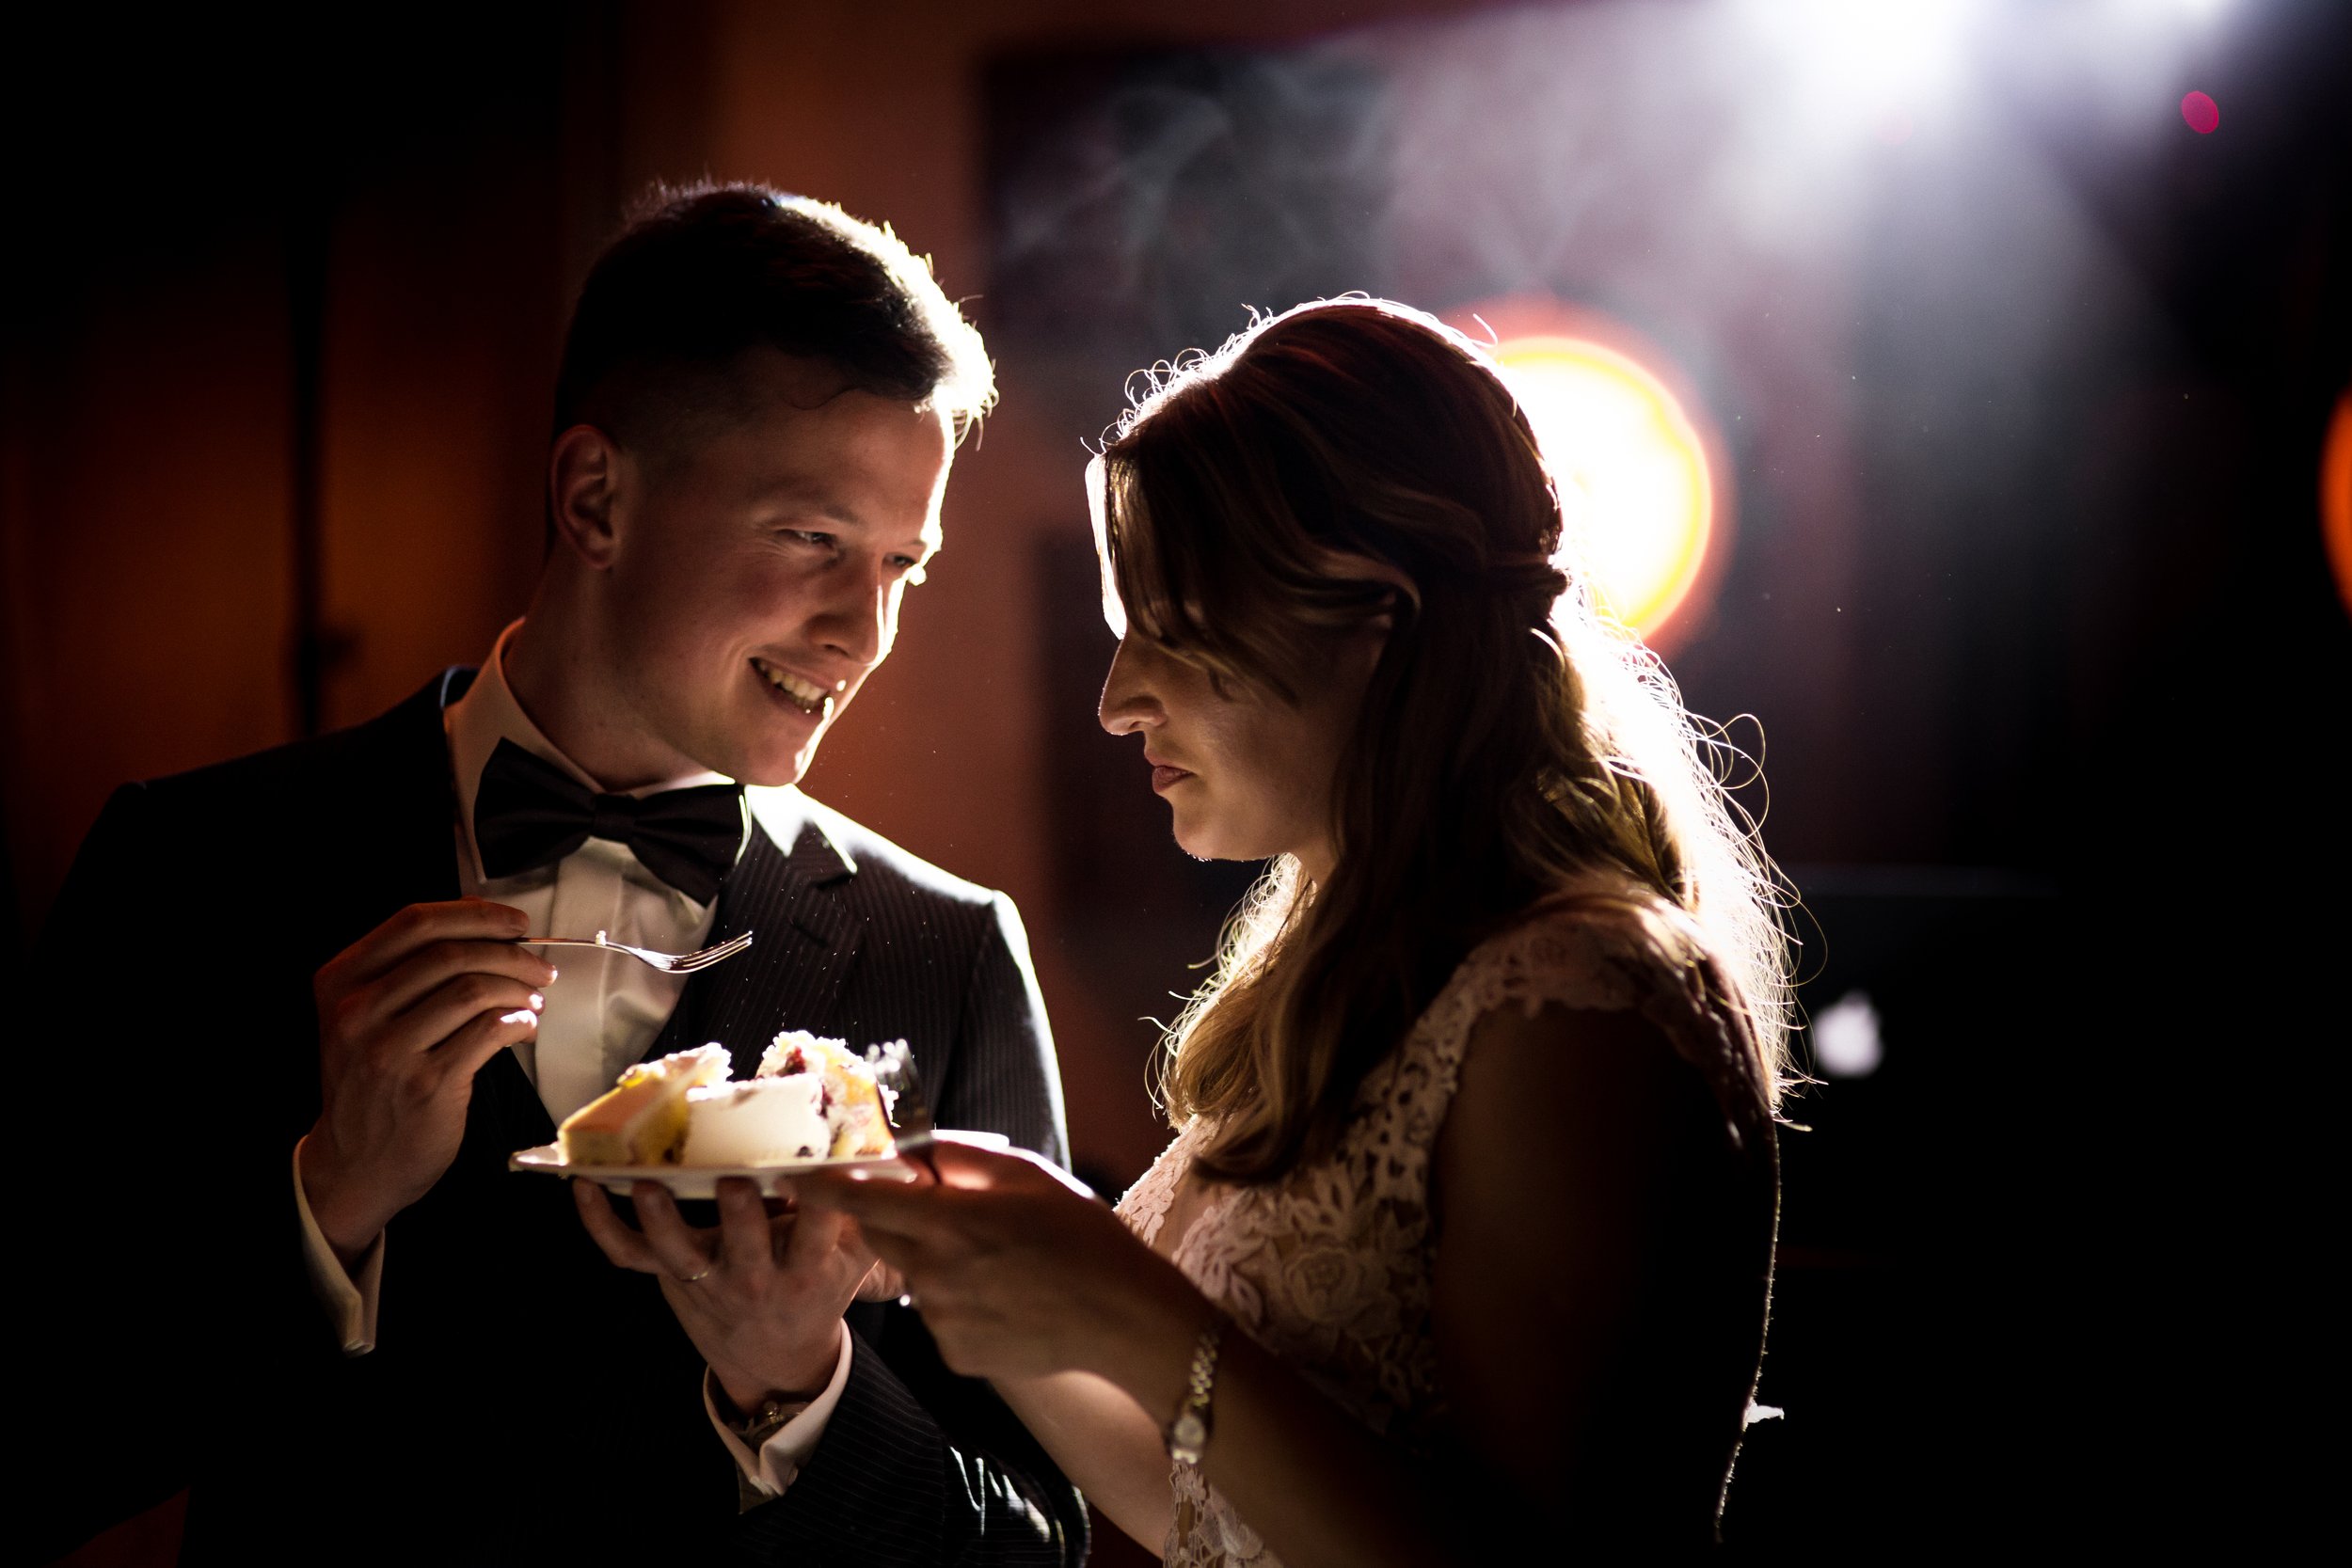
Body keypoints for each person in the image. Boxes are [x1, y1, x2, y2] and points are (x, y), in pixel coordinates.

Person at [27, 185, 1083, 1565]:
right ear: (595, 495)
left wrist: (800, 1392)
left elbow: (1034, 1545)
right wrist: (319, 1205)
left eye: (902, 566)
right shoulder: (196, 868)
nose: (862, 632)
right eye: (812, 542)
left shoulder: (943, 952)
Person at [800, 298, 1791, 1561]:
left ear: (1367, 620)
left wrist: (1139, 1316)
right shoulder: (1355, 970)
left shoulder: (1575, 997)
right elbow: (1204, 1507)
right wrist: (934, 1246)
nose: (1117, 703)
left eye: (1167, 631)